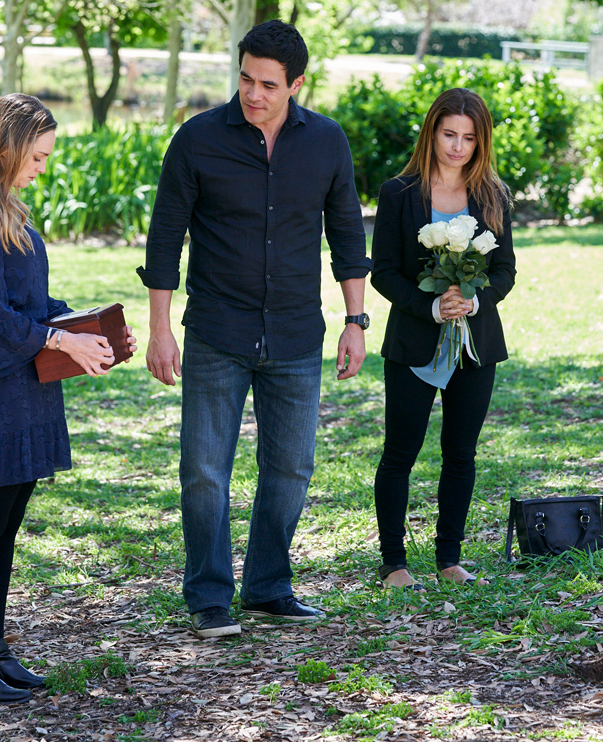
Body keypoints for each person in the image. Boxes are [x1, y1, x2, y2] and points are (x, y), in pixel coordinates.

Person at [137, 20, 371, 638]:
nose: (253, 93)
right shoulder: (197, 139)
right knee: (204, 471)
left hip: (296, 335)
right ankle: (209, 595)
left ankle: (268, 588)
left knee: (292, 469)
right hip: (217, 330)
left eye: (268, 84)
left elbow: (348, 236)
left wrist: (355, 321)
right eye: (245, 78)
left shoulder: (327, 142)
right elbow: (164, 240)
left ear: (297, 84)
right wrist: (160, 330)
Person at [0, 93, 136, 703]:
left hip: (27, 385)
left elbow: (34, 305)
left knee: (6, 525)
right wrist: (62, 341)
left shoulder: (9, 213)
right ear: (6, 148)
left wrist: (91, 332)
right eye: (38, 156)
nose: (42, 168)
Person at [369, 88, 516, 590]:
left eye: (468, 138)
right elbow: (383, 272)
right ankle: (393, 564)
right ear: (431, 133)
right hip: (413, 342)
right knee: (400, 454)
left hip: (476, 347)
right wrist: (430, 306)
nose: (457, 147)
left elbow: (505, 270)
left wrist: (474, 302)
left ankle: (449, 559)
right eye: (449, 134)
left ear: (481, 142)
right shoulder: (399, 193)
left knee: (461, 454)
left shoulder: (494, 194)